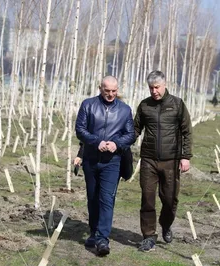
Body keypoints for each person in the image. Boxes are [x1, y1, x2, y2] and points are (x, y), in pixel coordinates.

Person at [75, 75, 135, 256]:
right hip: (91, 160)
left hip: (112, 162)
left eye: (114, 91)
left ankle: (102, 239)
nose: (110, 94)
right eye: (107, 91)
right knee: (93, 198)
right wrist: (96, 141)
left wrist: (116, 143)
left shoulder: (125, 110)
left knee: (107, 199)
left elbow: (130, 134)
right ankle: (94, 233)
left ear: (118, 90)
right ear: (100, 88)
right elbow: (80, 130)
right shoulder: (88, 105)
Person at [134, 70, 192, 252]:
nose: (154, 91)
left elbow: (187, 132)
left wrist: (185, 156)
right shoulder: (144, 106)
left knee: (170, 199)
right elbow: (135, 129)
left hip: (171, 160)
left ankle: (166, 224)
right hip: (148, 160)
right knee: (148, 199)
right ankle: (149, 236)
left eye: (157, 87)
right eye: (151, 88)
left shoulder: (177, 104)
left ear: (164, 85)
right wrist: (119, 143)